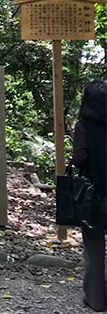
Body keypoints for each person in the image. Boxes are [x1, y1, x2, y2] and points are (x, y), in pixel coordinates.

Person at [72, 79, 107, 312]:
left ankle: (96, 300)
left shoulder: (83, 127)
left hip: (95, 194)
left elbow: (79, 159)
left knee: (94, 248)